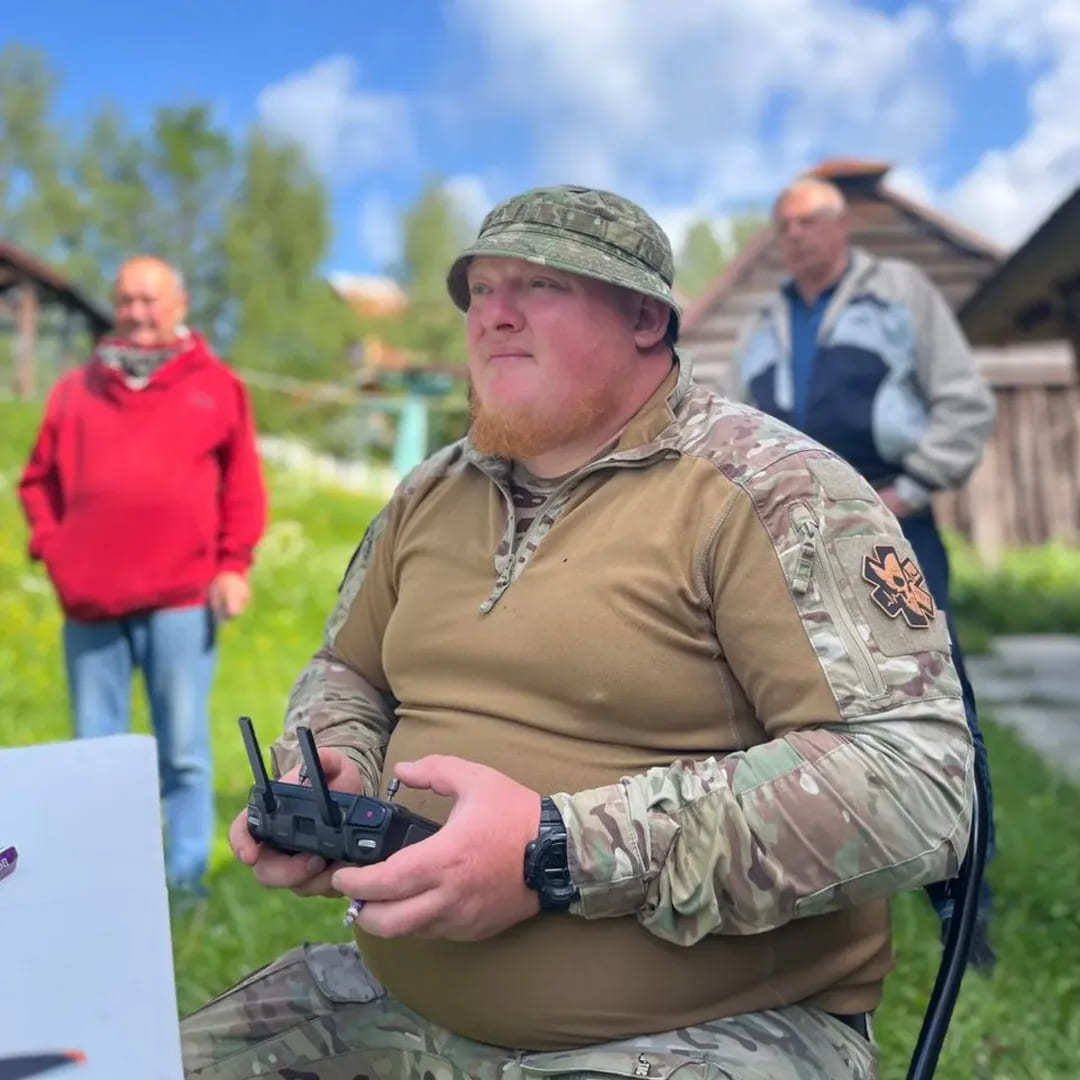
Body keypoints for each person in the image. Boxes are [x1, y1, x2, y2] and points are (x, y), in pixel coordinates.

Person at [181, 186, 974, 1079]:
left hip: (701, 1035)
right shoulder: (428, 495)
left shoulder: (770, 491)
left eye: (540, 286)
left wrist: (557, 850)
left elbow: (918, 780)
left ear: (645, 318)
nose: (496, 315)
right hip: (392, 1009)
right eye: (481, 290)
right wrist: (337, 765)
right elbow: (348, 671)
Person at [734, 175, 997, 969]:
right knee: (800, 704)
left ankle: (964, 901)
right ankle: (823, 884)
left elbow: (964, 404)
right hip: (794, 535)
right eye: (783, 225)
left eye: (808, 222)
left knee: (935, 700)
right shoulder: (763, 324)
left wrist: (907, 489)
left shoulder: (899, 293)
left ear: (840, 225)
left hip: (891, 528)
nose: (795, 236)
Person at [18, 256, 267, 896]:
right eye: (126, 299)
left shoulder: (218, 386)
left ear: (179, 305)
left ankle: (185, 882)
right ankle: (103, 882)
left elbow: (243, 485)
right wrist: (54, 548)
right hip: (90, 602)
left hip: (182, 598)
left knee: (181, 749)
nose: (136, 312)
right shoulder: (75, 390)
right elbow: (37, 482)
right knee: (93, 753)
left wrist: (233, 564)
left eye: (149, 299)